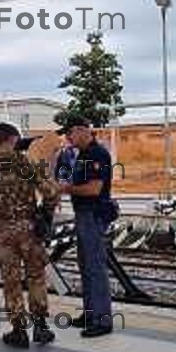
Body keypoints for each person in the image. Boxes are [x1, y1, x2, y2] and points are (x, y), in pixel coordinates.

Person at [0, 123, 60, 348]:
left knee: (11, 281)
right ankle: (40, 326)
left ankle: (19, 331)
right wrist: (45, 216)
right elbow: (51, 192)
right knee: (36, 276)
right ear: (13, 138)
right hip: (28, 229)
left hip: (1, 232)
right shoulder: (24, 162)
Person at [58, 116, 115, 338]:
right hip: (84, 215)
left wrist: (65, 189)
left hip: (93, 215)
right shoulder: (82, 154)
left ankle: (102, 320)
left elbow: (93, 189)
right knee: (86, 266)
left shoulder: (97, 154)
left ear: (82, 131)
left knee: (95, 268)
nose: (67, 138)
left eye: (70, 133)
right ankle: (90, 314)